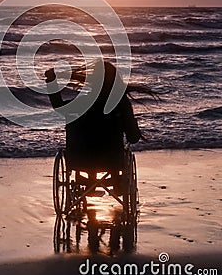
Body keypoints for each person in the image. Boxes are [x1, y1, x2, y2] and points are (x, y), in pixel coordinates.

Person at [45, 58, 152, 194]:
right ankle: (116, 181)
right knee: (110, 144)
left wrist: (51, 83)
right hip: (112, 160)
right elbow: (133, 138)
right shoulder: (121, 104)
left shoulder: (82, 102)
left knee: (88, 139)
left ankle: (90, 179)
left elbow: (59, 107)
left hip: (80, 159)